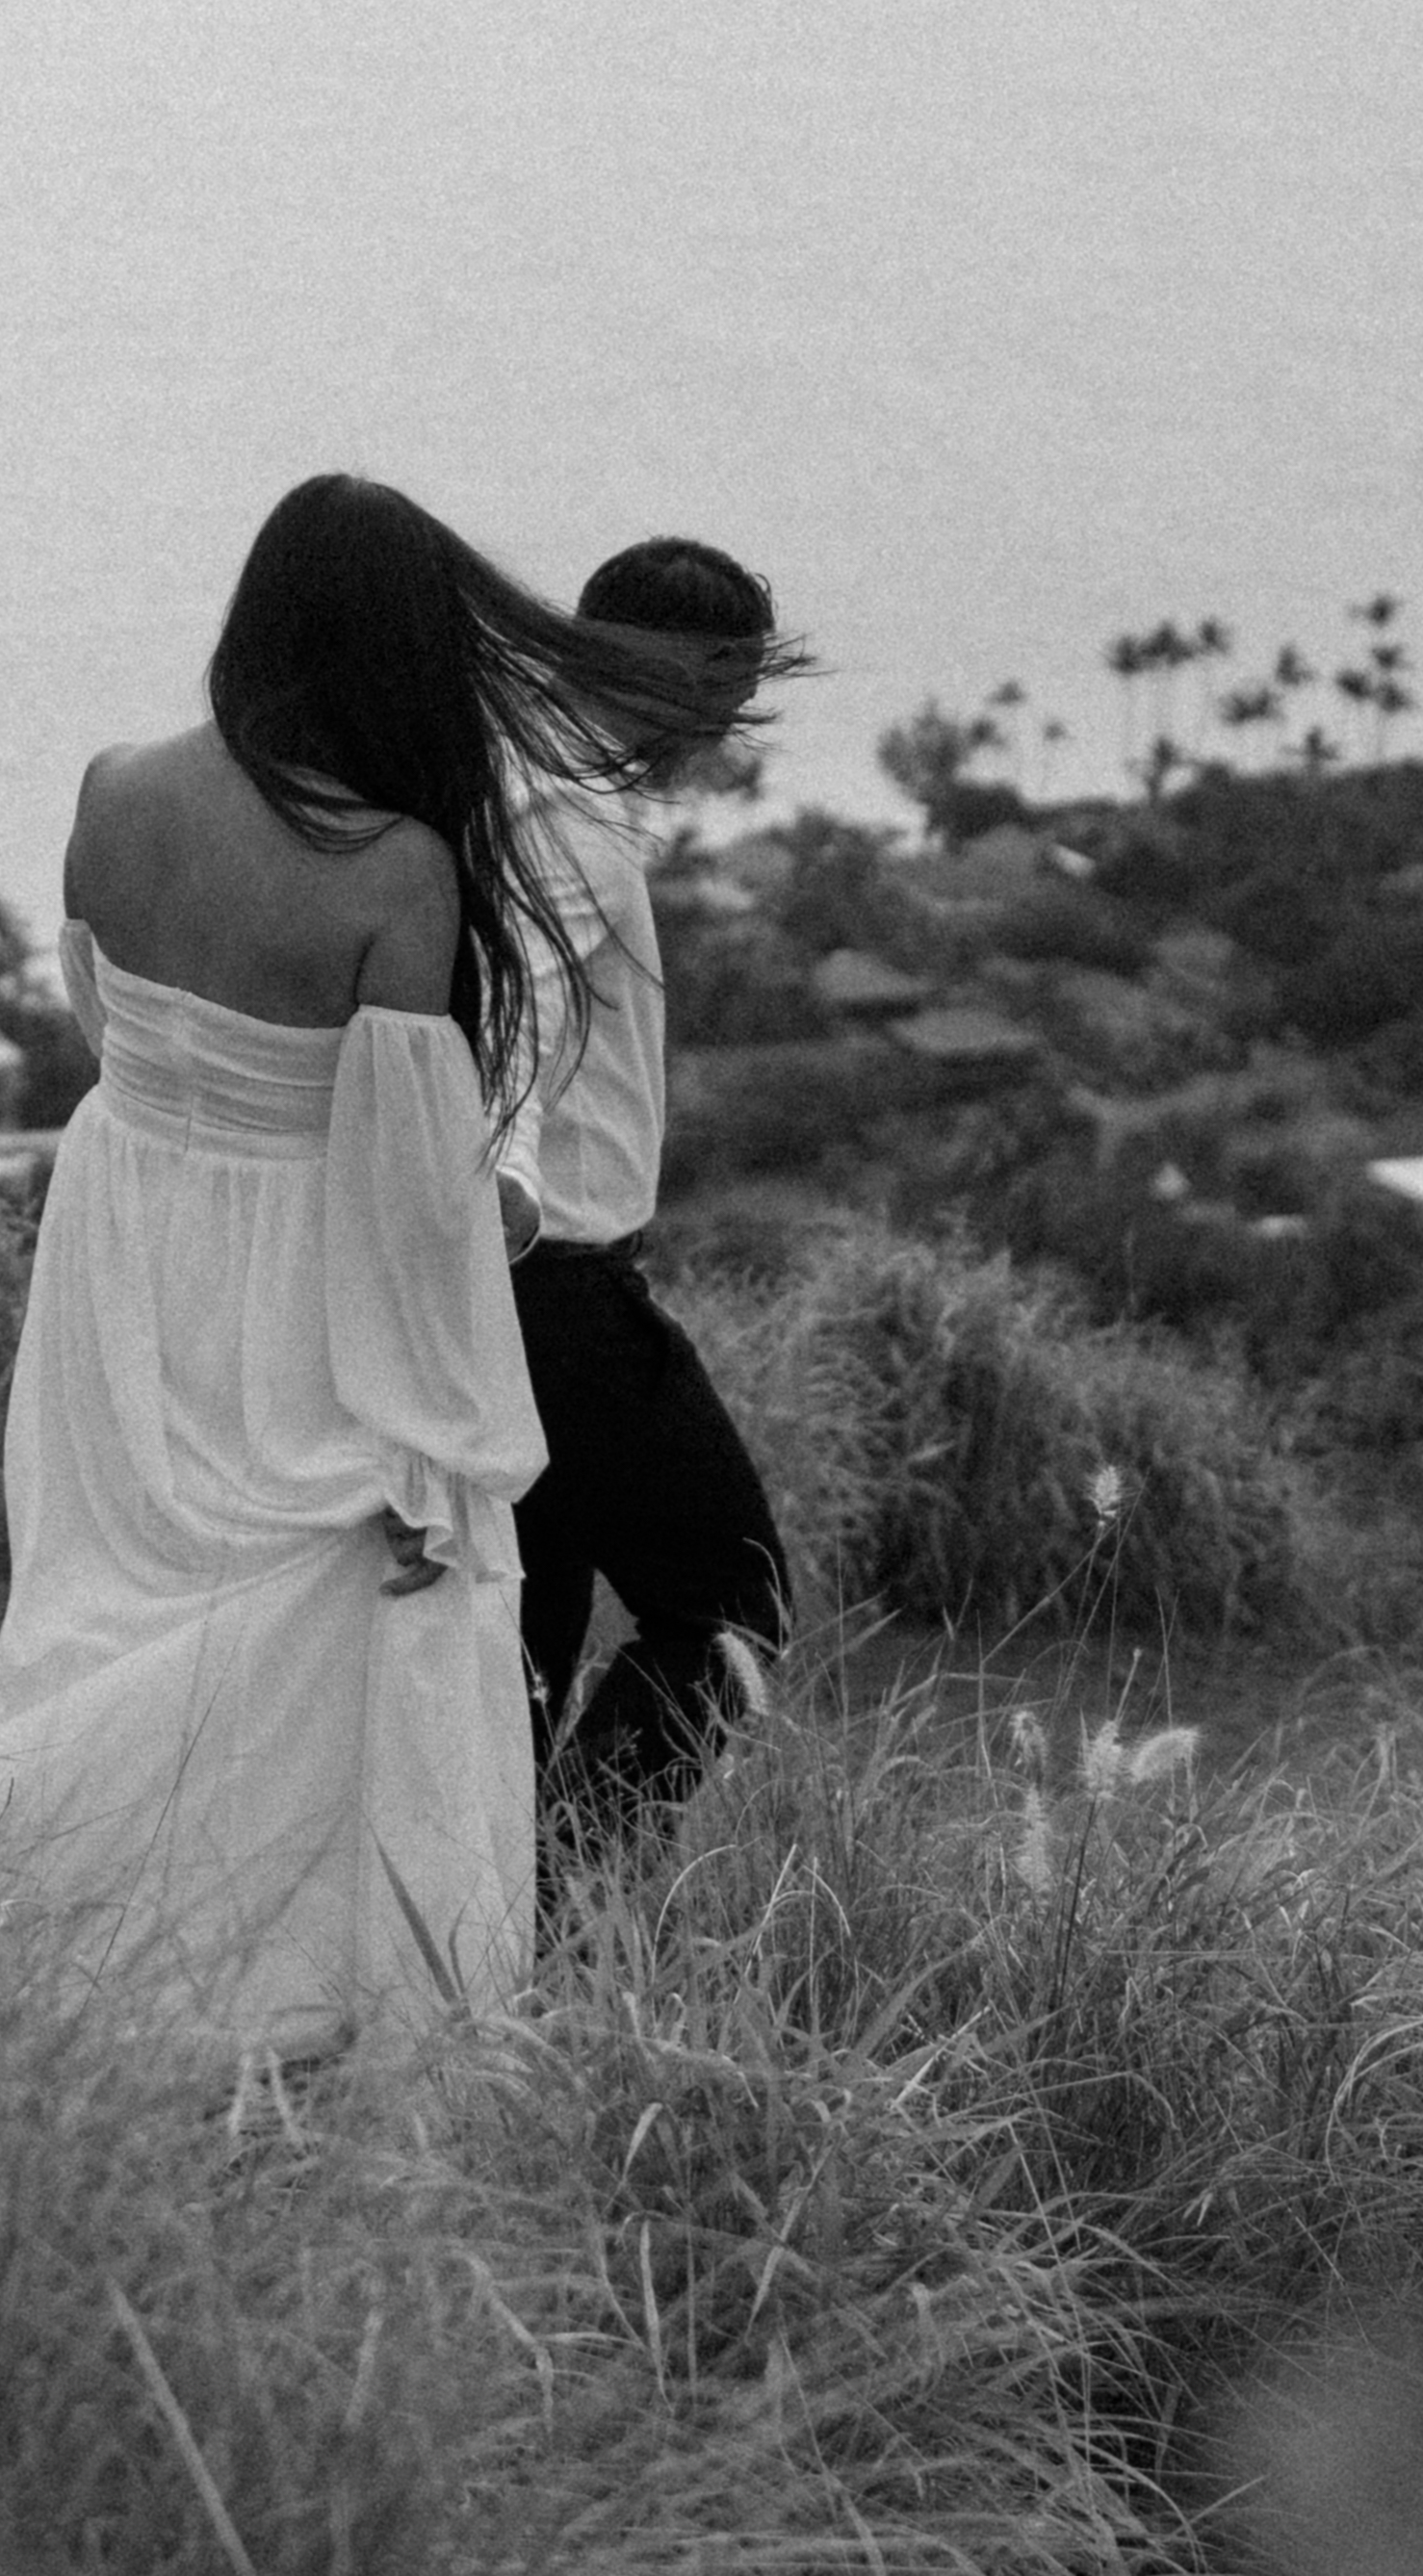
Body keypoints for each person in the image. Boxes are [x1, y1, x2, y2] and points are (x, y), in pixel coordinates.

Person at [0, 475, 759, 2056]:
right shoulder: (396, 869)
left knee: (152, 1607)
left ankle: (102, 1955)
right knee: (338, 1616)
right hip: (304, 1257)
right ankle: (315, 1982)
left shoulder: (111, 789)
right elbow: (413, 1185)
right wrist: (441, 1447)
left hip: (125, 1252)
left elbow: (107, 1033)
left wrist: (205, 1141)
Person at [495, 535, 804, 1856]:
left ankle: (478, 1922)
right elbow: (519, 1020)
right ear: (675, 673)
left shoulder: (530, 776)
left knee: (524, 1637)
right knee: (727, 1606)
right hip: (551, 1280)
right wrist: (502, 1192)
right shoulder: (558, 814)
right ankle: (559, 1901)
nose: (721, 741)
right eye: (721, 705)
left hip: (507, 1280)